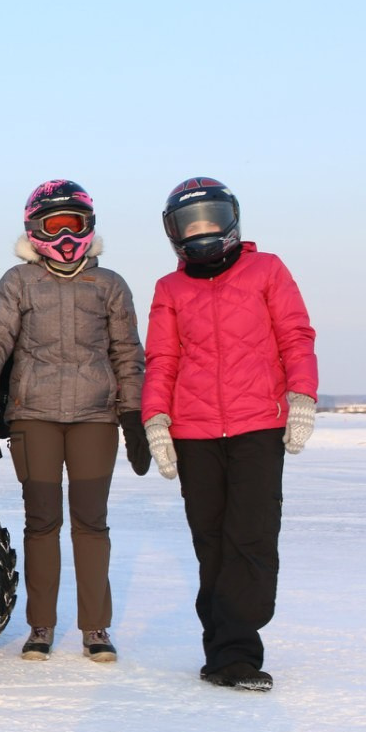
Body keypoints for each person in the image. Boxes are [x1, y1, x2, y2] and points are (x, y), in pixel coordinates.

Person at [0, 179, 150, 663]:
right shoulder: (19, 281)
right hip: (34, 415)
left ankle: (95, 627)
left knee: (91, 521)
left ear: (88, 227)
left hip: (95, 417)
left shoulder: (110, 285)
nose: (64, 236)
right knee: (42, 521)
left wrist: (132, 412)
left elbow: (127, 353)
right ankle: (40, 625)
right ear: (35, 230)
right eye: (53, 226)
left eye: (73, 224)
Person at [142, 177, 317, 692]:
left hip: (257, 426)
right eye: (189, 223)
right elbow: (162, 359)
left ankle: (236, 651)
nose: (201, 231)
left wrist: (302, 396)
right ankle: (223, 652)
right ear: (174, 232)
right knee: (212, 543)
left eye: (210, 219)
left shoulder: (268, 270)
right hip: (194, 433)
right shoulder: (170, 289)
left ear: (231, 219)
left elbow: (295, 336)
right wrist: (156, 420)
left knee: (252, 536)